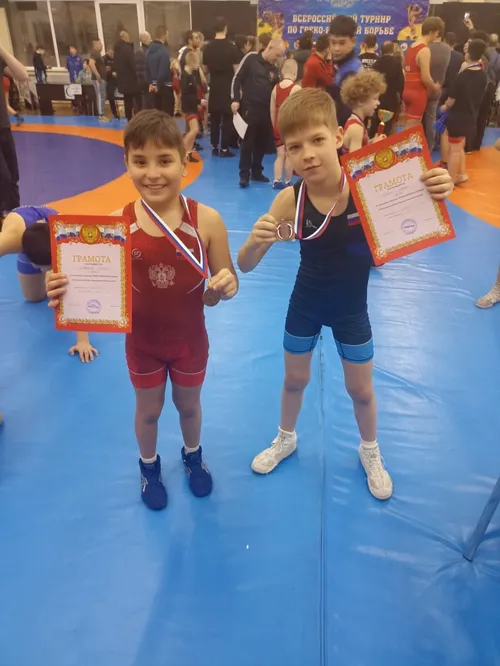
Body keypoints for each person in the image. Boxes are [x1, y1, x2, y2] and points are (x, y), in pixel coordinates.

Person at [237, 88, 453, 498]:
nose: (307, 155)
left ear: (338, 136)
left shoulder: (369, 188)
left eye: (317, 140)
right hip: (305, 303)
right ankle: (286, 437)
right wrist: (254, 240)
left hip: (352, 309)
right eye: (295, 147)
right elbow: (245, 265)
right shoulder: (288, 200)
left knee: (361, 390)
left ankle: (369, 449)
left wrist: (437, 189)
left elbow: (419, 210)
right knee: (294, 380)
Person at [45, 110, 239, 510]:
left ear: (184, 162)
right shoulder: (113, 228)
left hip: (190, 341)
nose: (152, 173)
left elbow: (226, 279)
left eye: (164, 160)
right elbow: (83, 284)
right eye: (140, 161)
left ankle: (193, 455)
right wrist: (63, 287)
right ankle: (148, 466)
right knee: (148, 412)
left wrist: (227, 285)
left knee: (189, 406)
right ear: (126, 163)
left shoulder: (207, 221)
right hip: (143, 344)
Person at [0, 206, 97, 362]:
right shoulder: (10, 240)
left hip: (50, 234)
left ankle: (51, 272)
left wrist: (83, 341)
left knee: (60, 282)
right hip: (22, 228)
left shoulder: (67, 242)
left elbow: (78, 291)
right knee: (34, 297)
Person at [231, 38, 285, 188]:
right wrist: (235, 99)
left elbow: (276, 90)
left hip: (267, 110)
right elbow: (237, 79)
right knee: (247, 142)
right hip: (250, 107)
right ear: (270, 48)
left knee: (262, 142)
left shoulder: (274, 69)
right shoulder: (251, 58)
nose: (277, 58)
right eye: (277, 55)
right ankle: (244, 175)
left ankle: (256, 171)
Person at [440, 38, 487, 185]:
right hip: (471, 115)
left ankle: (451, 180)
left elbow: (451, 100)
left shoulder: (463, 76)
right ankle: (461, 173)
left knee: (454, 149)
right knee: (460, 146)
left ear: (468, 54)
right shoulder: (483, 75)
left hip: (457, 117)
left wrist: (444, 107)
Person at [203, 16, 239, 157]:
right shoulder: (231, 47)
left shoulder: (208, 47)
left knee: (215, 117)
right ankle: (224, 148)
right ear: (225, 28)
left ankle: (214, 146)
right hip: (228, 86)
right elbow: (236, 71)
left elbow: (205, 69)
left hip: (214, 86)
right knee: (228, 117)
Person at [0, 44, 28, 212]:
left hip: (3, 127)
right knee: (3, 177)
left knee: (12, 177)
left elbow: (23, 75)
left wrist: (2, 50)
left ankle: (14, 215)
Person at [403, 17, 444, 129]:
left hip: (407, 90)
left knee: (407, 126)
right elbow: (425, 78)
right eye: (437, 33)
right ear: (431, 32)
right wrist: (434, 87)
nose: (437, 35)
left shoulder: (411, 47)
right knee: (411, 129)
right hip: (417, 92)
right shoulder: (424, 50)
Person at [327, 15, 362, 126]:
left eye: (342, 43)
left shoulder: (352, 71)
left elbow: (345, 115)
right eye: (333, 42)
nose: (336, 48)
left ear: (353, 41)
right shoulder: (339, 64)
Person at [271, 58, 300, 188]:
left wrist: (274, 125)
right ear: (295, 73)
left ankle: (276, 180)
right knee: (289, 154)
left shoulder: (275, 89)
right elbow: (300, 110)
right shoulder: (296, 88)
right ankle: (288, 180)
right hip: (290, 125)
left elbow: (272, 110)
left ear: (282, 72)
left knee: (280, 154)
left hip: (278, 125)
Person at [341, 70, 387, 152]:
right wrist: (375, 145)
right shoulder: (356, 128)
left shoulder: (357, 122)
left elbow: (361, 148)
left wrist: (372, 142)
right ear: (361, 101)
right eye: (375, 98)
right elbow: (356, 159)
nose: (378, 103)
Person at [423, 27, 451, 149]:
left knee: (418, 119)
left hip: (424, 87)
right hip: (438, 87)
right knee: (431, 118)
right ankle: (430, 146)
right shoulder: (447, 49)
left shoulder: (426, 48)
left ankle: (418, 147)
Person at [372, 41, 405, 136]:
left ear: (381, 50)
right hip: (391, 99)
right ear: (392, 50)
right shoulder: (397, 64)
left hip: (377, 98)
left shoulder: (376, 64)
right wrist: (401, 99)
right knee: (389, 124)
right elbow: (400, 83)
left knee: (376, 123)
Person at [146, 25, 174, 116]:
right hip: (164, 86)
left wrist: (150, 83)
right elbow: (163, 70)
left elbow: (146, 68)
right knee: (167, 115)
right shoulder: (163, 51)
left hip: (152, 87)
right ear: (165, 35)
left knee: (156, 115)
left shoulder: (148, 51)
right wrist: (158, 84)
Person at [114, 31, 142, 121]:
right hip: (132, 80)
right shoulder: (127, 49)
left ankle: (128, 118)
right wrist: (138, 75)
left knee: (127, 101)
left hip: (122, 80)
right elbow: (133, 64)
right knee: (137, 100)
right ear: (125, 38)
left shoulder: (116, 51)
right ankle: (137, 118)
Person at [181, 51, 202, 162]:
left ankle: (188, 153)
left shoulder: (190, 75)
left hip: (191, 106)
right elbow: (186, 95)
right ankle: (182, 151)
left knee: (190, 131)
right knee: (194, 130)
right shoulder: (186, 77)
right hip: (189, 107)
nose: (198, 65)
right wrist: (199, 101)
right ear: (193, 62)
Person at [89, 38, 109, 122]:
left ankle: (102, 114)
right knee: (100, 96)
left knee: (102, 96)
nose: (102, 45)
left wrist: (104, 69)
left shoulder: (98, 54)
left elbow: (97, 65)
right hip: (98, 79)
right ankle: (101, 115)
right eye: (100, 44)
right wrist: (97, 74)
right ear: (95, 45)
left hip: (102, 78)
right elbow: (91, 63)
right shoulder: (94, 53)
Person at [135, 31, 152, 110]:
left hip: (147, 82)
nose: (151, 40)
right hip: (145, 83)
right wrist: (148, 82)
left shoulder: (147, 51)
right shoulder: (141, 52)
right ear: (145, 40)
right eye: (149, 38)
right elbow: (141, 69)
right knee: (146, 103)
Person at [103, 47, 119, 120]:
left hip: (118, 78)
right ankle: (114, 113)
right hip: (109, 80)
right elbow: (103, 71)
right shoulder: (104, 59)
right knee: (110, 96)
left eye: (113, 53)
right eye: (110, 53)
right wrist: (111, 73)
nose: (112, 55)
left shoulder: (117, 58)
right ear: (107, 52)